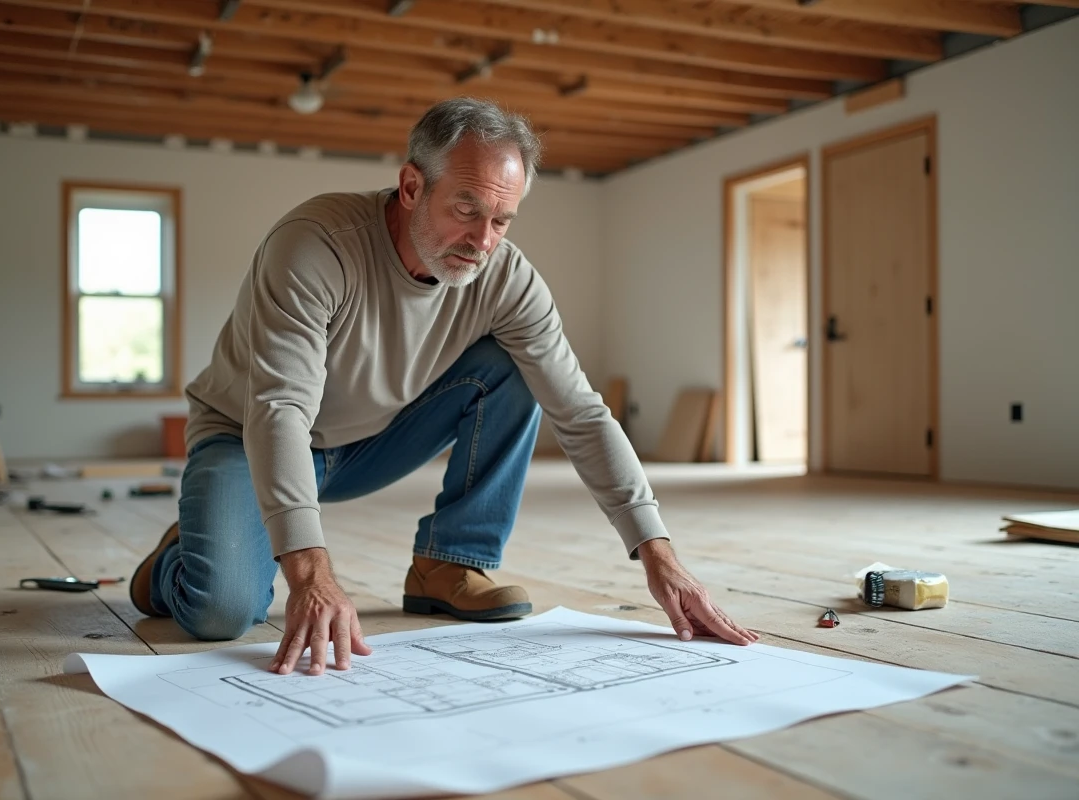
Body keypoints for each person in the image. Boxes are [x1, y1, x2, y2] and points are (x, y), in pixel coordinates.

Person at [130, 97, 758, 676]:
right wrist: (311, 571)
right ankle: (177, 559)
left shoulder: (508, 280)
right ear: (411, 186)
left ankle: (450, 562)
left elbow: (582, 414)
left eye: (502, 220)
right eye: (465, 209)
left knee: (513, 367)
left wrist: (659, 555)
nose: (482, 241)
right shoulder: (315, 246)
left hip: (370, 441)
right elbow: (280, 409)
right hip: (248, 437)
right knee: (220, 613)